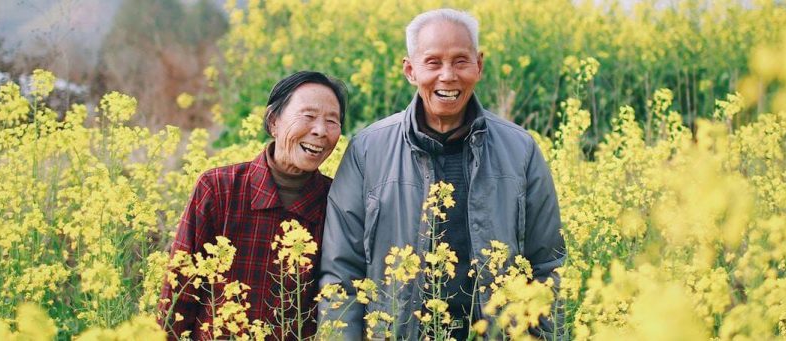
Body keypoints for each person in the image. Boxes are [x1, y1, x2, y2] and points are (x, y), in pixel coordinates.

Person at [318, 8, 566, 340]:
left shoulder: (520, 150)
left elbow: (548, 266)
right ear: (410, 70)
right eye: (432, 62)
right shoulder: (367, 150)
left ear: (479, 65)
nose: (447, 76)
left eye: (461, 61)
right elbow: (341, 273)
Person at [159, 71, 347, 340]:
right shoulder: (218, 188)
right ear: (273, 122)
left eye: (332, 121)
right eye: (308, 116)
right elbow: (178, 293)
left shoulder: (337, 200)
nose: (320, 131)